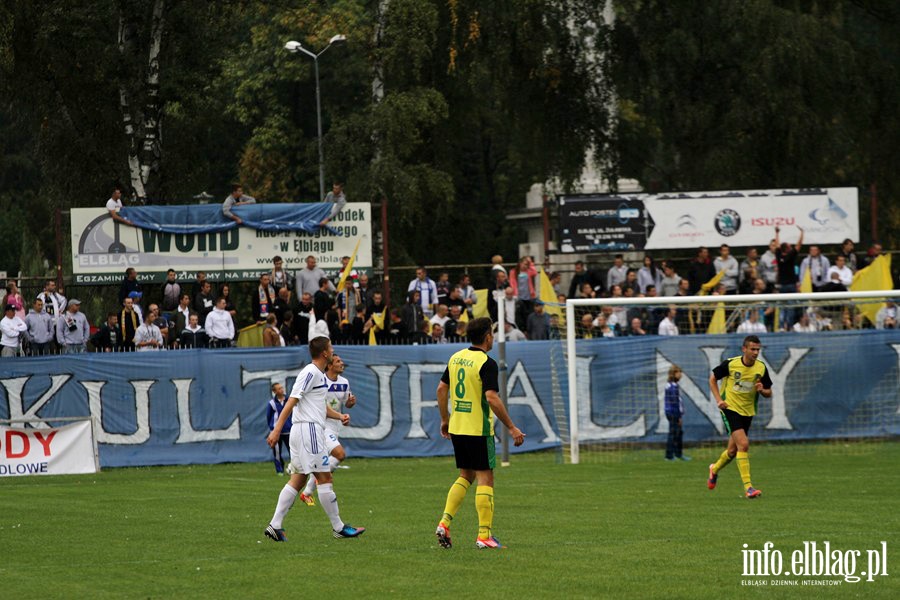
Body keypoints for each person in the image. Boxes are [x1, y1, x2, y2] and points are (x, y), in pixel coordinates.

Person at [434, 318, 525, 550]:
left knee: (466, 475)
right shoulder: (486, 362)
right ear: (486, 336)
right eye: (492, 334)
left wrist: (445, 419)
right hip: (478, 429)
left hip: (458, 427)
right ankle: (484, 535)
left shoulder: (456, 358)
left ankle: (444, 523)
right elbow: (491, 397)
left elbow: (441, 388)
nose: (492, 338)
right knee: (486, 478)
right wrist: (512, 427)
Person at [264, 336, 365, 541]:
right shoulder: (310, 372)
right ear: (325, 353)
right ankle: (338, 527)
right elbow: (292, 400)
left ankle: (275, 525)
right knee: (325, 478)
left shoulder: (318, 374)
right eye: (331, 348)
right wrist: (276, 430)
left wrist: (340, 416)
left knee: (299, 478)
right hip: (308, 430)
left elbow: (319, 406)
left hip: (303, 430)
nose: (334, 351)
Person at [707, 335, 772, 499]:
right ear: (744, 349)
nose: (756, 353)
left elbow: (769, 392)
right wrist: (719, 400)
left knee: (732, 450)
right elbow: (712, 379)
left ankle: (714, 469)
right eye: (752, 349)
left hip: (747, 411)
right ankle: (749, 487)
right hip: (730, 408)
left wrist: (761, 390)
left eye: (758, 349)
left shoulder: (761, 368)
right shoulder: (731, 364)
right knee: (743, 444)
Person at [299, 353, 356, 504]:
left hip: (335, 428)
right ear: (330, 365)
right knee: (340, 454)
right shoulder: (321, 381)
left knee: (323, 461)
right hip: (321, 426)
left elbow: (346, 403)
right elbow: (323, 408)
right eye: (338, 361)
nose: (341, 363)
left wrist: (350, 403)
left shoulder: (344, 382)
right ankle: (321, 477)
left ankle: (307, 492)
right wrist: (341, 416)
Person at [664, 365, 688, 461]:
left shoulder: (671, 385)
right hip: (673, 413)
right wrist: (678, 417)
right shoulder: (673, 387)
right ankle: (669, 455)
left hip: (672, 412)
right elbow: (675, 402)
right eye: (679, 372)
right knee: (673, 433)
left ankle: (678, 454)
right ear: (674, 373)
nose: (680, 374)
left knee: (678, 433)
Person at [266, 383, 292, 475]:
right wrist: (272, 429)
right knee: (277, 452)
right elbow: (269, 417)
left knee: (292, 450)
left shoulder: (289, 400)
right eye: (279, 389)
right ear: (274, 391)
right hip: (276, 432)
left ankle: (294, 468)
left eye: (282, 388)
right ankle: (279, 470)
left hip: (288, 430)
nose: (281, 390)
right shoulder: (272, 403)